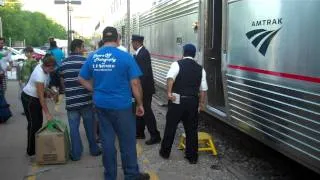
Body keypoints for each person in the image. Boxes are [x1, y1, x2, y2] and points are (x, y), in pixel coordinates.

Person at [79, 26, 150, 180]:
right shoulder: (125, 57)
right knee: (127, 142)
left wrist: (95, 90)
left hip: (101, 106)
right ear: (118, 39)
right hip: (122, 107)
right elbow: (136, 83)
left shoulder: (93, 56)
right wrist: (140, 104)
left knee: (107, 142)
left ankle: (110, 176)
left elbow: (81, 78)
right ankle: (131, 175)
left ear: (103, 39)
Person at [159, 43, 208, 164]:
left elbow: (170, 78)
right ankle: (192, 157)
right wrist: (201, 104)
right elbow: (203, 89)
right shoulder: (200, 68)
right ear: (194, 54)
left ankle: (165, 152)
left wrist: (169, 93)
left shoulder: (177, 64)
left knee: (171, 126)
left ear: (183, 53)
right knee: (191, 129)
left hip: (177, 100)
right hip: (192, 101)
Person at [60, 39, 101, 161]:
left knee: (74, 129)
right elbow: (92, 79)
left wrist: (68, 91)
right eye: (83, 47)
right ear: (78, 48)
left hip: (71, 101)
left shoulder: (63, 63)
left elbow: (62, 81)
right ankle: (94, 149)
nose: (84, 49)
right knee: (90, 127)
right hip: (86, 100)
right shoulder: (86, 61)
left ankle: (76, 154)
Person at [21, 54, 56, 156]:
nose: (52, 70)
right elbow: (41, 96)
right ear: (46, 66)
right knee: (33, 124)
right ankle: (31, 151)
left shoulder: (43, 67)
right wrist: (47, 113)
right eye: (51, 68)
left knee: (38, 123)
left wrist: (50, 91)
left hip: (34, 98)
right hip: (29, 99)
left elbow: (43, 87)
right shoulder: (39, 74)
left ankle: (36, 146)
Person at [131, 34, 161, 145]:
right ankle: (139, 132)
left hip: (145, 88)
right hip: (143, 87)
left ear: (136, 42)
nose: (132, 45)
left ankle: (155, 135)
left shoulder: (143, 54)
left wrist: (139, 90)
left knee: (146, 111)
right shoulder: (140, 53)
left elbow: (142, 75)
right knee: (140, 109)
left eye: (132, 42)